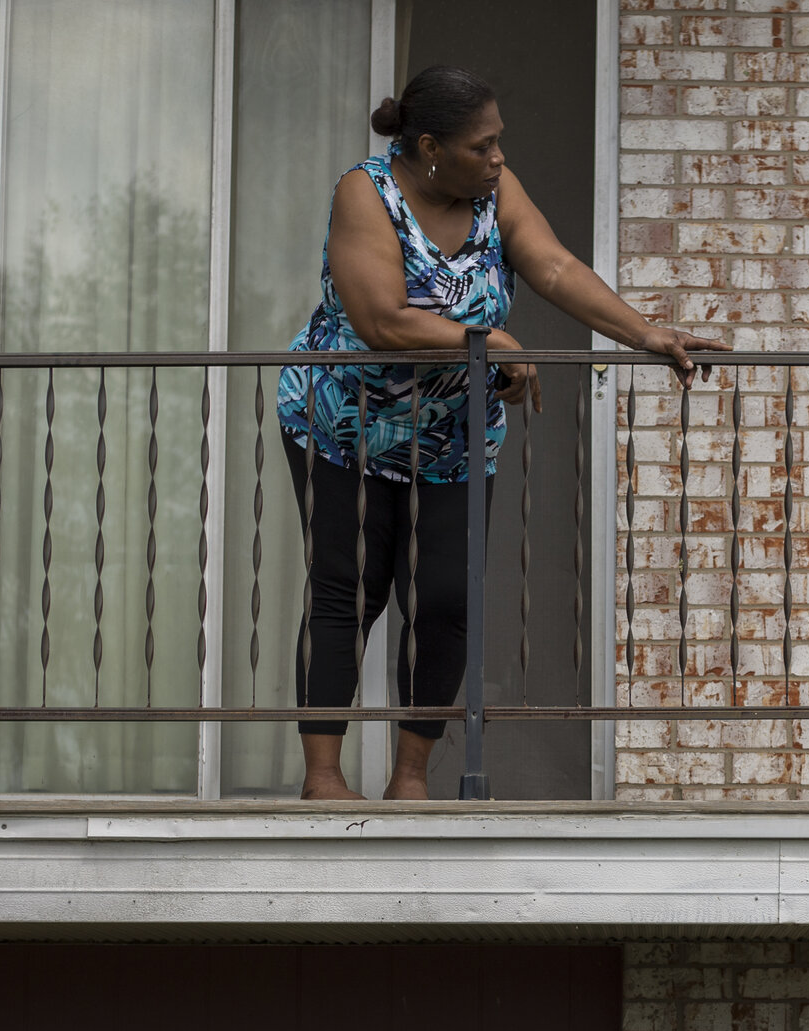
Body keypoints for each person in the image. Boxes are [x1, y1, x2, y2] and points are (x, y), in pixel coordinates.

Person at [279, 65, 723, 800]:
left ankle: (410, 779)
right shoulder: (366, 194)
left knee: (446, 600)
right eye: (483, 147)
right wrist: (492, 344)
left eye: (499, 143)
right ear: (430, 148)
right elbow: (382, 320)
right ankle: (323, 777)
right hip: (346, 426)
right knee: (347, 591)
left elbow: (551, 265)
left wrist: (644, 334)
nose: (498, 159)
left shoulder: (492, 193)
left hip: (452, 432)